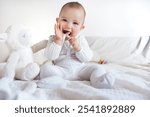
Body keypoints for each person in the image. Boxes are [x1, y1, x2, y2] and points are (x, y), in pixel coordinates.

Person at [37, 2, 114, 89]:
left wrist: (78, 47)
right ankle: (56, 82)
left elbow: (87, 58)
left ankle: (99, 81)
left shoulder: (81, 39)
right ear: (58, 21)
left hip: (80, 70)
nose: (69, 25)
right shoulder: (53, 39)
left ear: (81, 28)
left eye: (75, 23)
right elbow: (50, 56)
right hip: (60, 70)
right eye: (64, 20)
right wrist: (58, 40)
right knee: (45, 69)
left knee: (97, 68)